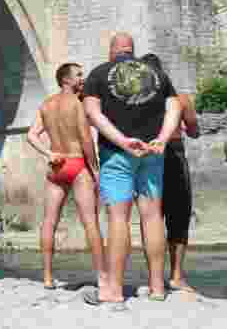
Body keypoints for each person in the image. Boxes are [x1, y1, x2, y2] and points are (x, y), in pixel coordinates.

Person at [80, 33, 182, 307]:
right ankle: (158, 287)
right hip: (151, 152)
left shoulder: (99, 73)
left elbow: (93, 114)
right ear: (132, 50)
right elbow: (175, 107)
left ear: (112, 51)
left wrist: (121, 140)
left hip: (118, 153)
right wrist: (162, 138)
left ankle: (113, 290)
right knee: (152, 217)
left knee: (118, 218)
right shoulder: (157, 74)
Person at [26, 63, 106, 290]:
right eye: (78, 75)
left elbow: (31, 135)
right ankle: (102, 276)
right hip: (78, 163)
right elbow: (86, 140)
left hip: (57, 165)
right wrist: (96, 170)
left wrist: (48, 153)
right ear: (65, 80)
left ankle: (48, 278)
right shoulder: (78, 105)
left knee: (49, 222)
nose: (83, 78)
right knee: (90, 221)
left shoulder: (47, 105)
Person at [141, 54, 200, 293]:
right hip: (173, 154)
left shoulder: (139, 100)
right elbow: (194, 129)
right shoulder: (180, 98)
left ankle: (155, 279)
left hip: (147, 157)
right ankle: (176, 276)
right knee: (179, 215)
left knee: (151, 217)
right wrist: (185, 127)